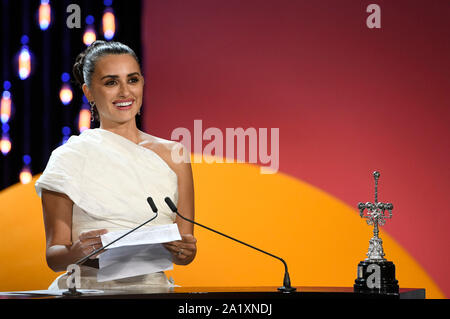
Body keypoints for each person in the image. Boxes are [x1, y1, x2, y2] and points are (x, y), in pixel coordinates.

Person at [35, 40, 196, 290]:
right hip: (88, 289)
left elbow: (185, 249)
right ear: (88, 92)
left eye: (132, 80)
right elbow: (54, 255)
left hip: (153, 290)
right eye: (111, 82)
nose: (125, 92)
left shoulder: (175, 154)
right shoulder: (68, 158)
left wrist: (186, 251)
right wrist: (78, 251)